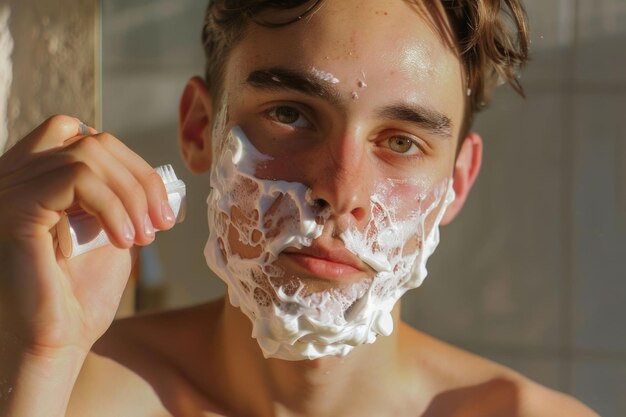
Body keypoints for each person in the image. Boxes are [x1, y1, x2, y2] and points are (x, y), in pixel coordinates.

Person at [0, 0, 599, 416]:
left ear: (456, 183)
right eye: (290, 114)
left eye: (400, 142)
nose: (340, 191)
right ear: (199, 127)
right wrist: (40, 360)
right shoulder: (63, 387)